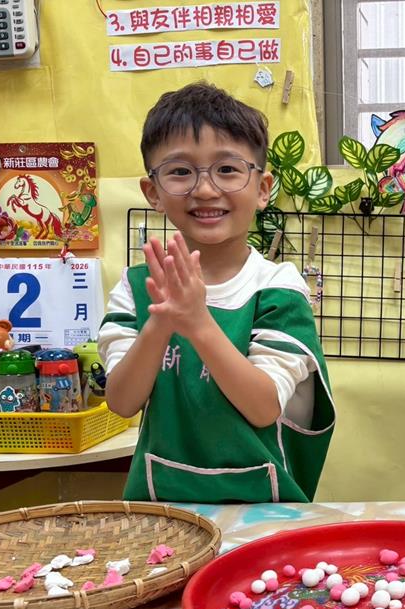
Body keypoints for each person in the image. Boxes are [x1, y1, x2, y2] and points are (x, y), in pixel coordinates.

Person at [99, 83, 334, 503]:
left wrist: (197, 323)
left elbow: (263, 407)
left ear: (262, 189)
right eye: (180, 171)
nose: (205, 189)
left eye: (227, 169)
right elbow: (122, 401)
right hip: (162, 507)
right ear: (153, 192)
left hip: (262, 510)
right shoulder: (137, 288)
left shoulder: (277, 289)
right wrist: (160, 323)